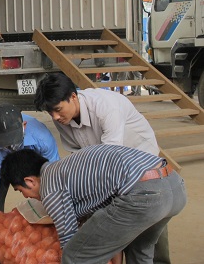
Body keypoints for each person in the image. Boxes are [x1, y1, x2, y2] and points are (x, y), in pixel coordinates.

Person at [34, 72, 171, 263]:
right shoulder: (63, 120)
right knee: (114, 223)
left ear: (73, 96)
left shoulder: (106, 108)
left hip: (141, 164)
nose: (55, 117)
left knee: (148, 223)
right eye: (50, 113)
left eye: (58, 109)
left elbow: (109, 159)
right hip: (110, 169)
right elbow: (79, 161)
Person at [0, 146, 187, 264]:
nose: (26, 196)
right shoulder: (64, 168)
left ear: (29, 181)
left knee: (74, 257)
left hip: (145, 195)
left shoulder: (49, 186)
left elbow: (68, 239)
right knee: (140, 251)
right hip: (174, 186)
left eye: (20, 190)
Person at [0, 103, 60, 264]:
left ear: (24, 125)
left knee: (51, 206)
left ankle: (50, 245)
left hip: (35, 168)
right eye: (5, 142)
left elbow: (54, 172)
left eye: (13, 139)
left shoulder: (41, 137)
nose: (11, 146)